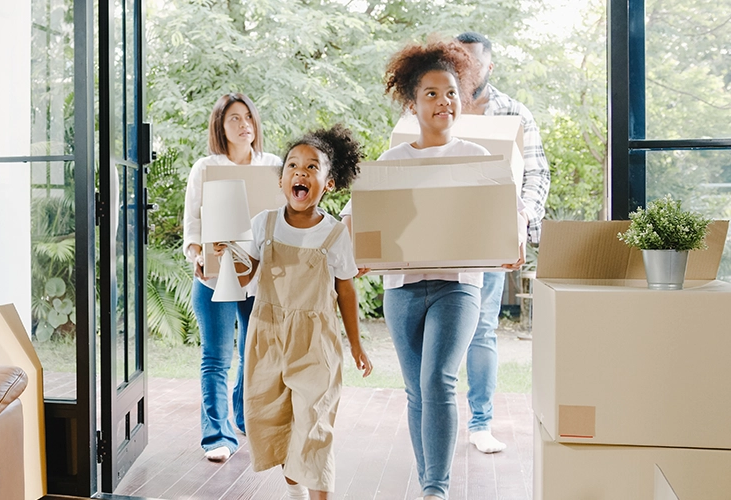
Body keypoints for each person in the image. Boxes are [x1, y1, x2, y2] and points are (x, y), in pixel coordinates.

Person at [341, 38, 527, 500]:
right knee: (416, 391)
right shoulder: (390, 162)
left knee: (438, 379)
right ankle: (430, 485)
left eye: (450, 93)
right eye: (431, 93)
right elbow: (354, 216)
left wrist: (516, 240)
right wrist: (356, 249)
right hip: (402, 288)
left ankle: (435, 489)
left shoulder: (477, 158)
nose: (444, 102)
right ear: (411, 102)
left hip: (457, 286)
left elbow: (511, 211)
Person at [219, 124, 373, 500]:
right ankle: (294, 490)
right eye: (292, 165)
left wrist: (355, 345)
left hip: (315, 343)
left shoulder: (335, 235)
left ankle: (319, 494)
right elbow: (246, 273)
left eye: (312, 167)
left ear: (329, 184)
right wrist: (223, 256)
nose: (300, 173)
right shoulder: (263, 224)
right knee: (273, 422)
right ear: (282, 179)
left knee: (314, 425)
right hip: (267, 337)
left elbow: (346, 290)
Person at [455, 31, 551, 454]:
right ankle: (431, 417)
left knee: (483, 331)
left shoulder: (513, 112)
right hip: (437, 238)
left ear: (489, 67)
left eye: (474, 63)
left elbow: (536, 175)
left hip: (491, 236)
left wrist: (521, 221)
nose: (466, 70)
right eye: (459, 61)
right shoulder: (431, 106)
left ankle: (480, 422)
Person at [182, 92, 281, 462]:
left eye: (248, 118)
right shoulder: (205, 167)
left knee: (254, 357)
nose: (244, 125)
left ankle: (243, 418)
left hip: (258, 277)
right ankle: (216, 436)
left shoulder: (272, 165)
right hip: (215, 278)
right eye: (234, 119)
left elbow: (284, 218)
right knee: (216, 358)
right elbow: (192, 224)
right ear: (220, 127)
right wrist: (197, 255)